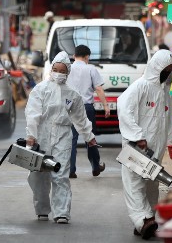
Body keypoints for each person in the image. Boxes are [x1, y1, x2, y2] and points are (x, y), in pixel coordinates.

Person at [117, 49, 172, 240]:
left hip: (155, 150)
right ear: (157, 67)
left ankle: (145, 221)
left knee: (151, 185)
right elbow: (124, 108)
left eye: (171, 70)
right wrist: (137, 136)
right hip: (136, 149)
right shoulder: (140, 87)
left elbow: (170, 117)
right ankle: (143, 220)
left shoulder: (164, 92)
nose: (169, 73)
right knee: (134, 185)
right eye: (167, 69)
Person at [25, 51, 97, 224]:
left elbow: (80, 118)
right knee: (39, 175)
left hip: (63, 135)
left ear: (67, 72)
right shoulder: (41, 89)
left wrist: (89, 137)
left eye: (62, 70)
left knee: (61, 174)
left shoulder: (72, 94)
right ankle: (42, 209)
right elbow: (33, 113)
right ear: (51, 69)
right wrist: (31, 135)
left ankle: (62, 212)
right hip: (42, 134)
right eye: (55, 69)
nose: (58, 72)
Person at [66, 45, 108, 178]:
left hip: (70, 107)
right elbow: (99, 89)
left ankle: (71, 170)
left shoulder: (67, 69)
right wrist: (106, 106)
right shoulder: (90, 69)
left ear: (74, 56)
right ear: (87, 57)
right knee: (90, 138)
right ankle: (95, 166)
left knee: (71, 139)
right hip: (86, 108)